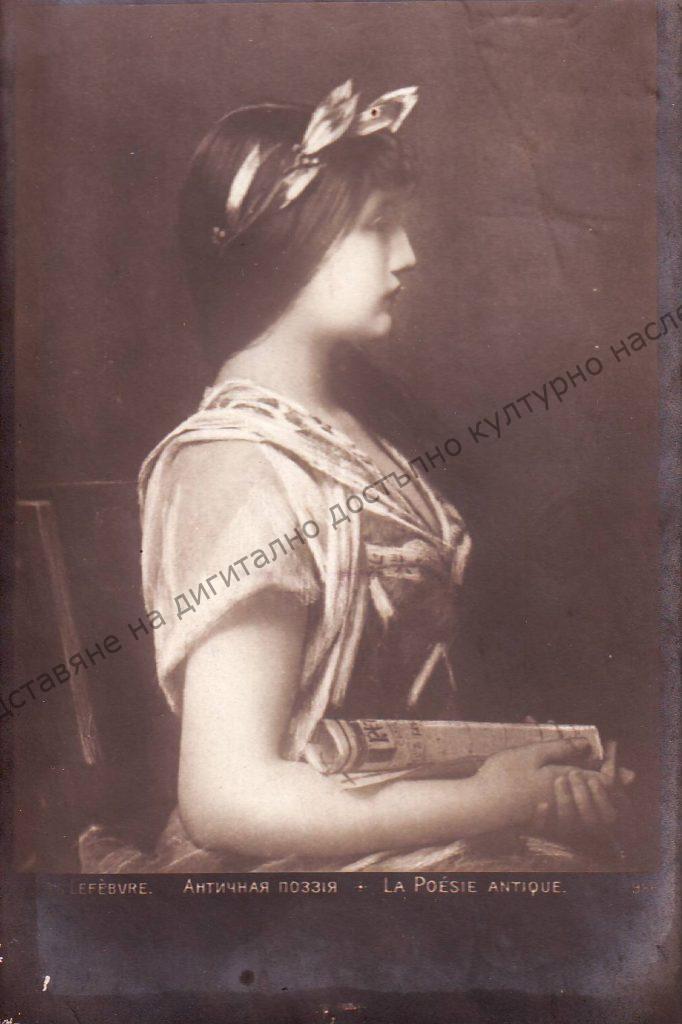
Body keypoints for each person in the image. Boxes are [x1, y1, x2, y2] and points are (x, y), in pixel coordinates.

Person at [79, 80, 632, 873]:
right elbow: (226, 797)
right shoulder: (236, 464)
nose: (407, 254)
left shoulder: (363, 426)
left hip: (401, 836)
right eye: (377, 226)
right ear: (288, 240)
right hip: (284, 874)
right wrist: (494, 800)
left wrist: (533, 779)